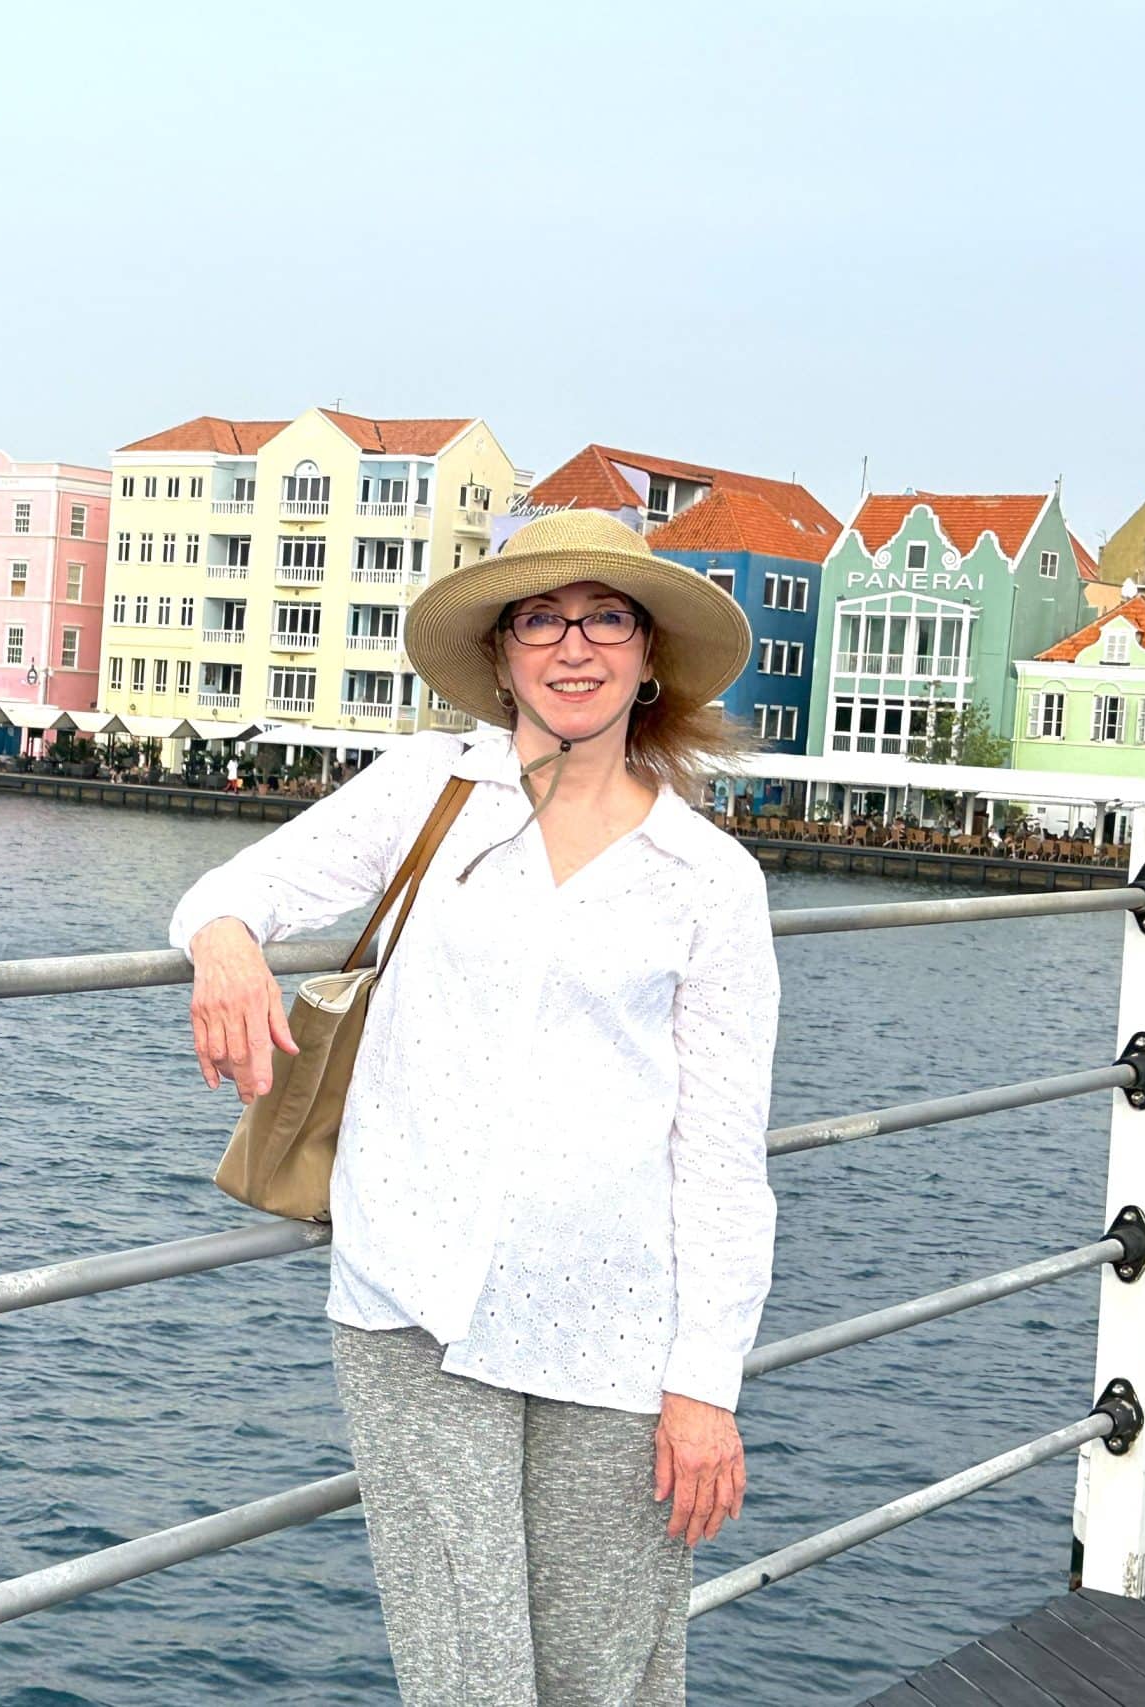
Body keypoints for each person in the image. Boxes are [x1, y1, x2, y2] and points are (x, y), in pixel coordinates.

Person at [172, 510, 778, 1704]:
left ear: (649, 655)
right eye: (538, 619)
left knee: (601, 1673)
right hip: (414, 1295)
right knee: (468, 1675)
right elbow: (239, 886)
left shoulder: (708, 878)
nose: (572, 647)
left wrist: (705, 1381)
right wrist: (227, 946)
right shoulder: (427, 791)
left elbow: (718, 1152)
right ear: (500, 656)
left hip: (615, 1321)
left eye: (604, 617)